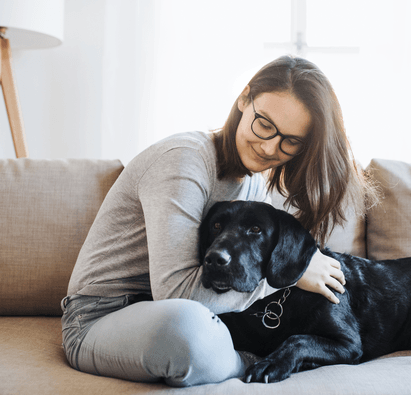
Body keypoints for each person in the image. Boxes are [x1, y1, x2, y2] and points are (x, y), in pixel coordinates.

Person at [61, 55, 379, 387]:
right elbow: (176, 293)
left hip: (181, 313)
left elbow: (242, 279)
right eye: (264, 124)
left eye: (290, 141)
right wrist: (291, 276)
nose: (269, 147)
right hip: (100, 317)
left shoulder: (253, 180)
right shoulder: (185, 160)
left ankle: (239, 359)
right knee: (187, 329)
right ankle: (242, 361)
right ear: (244, 99)